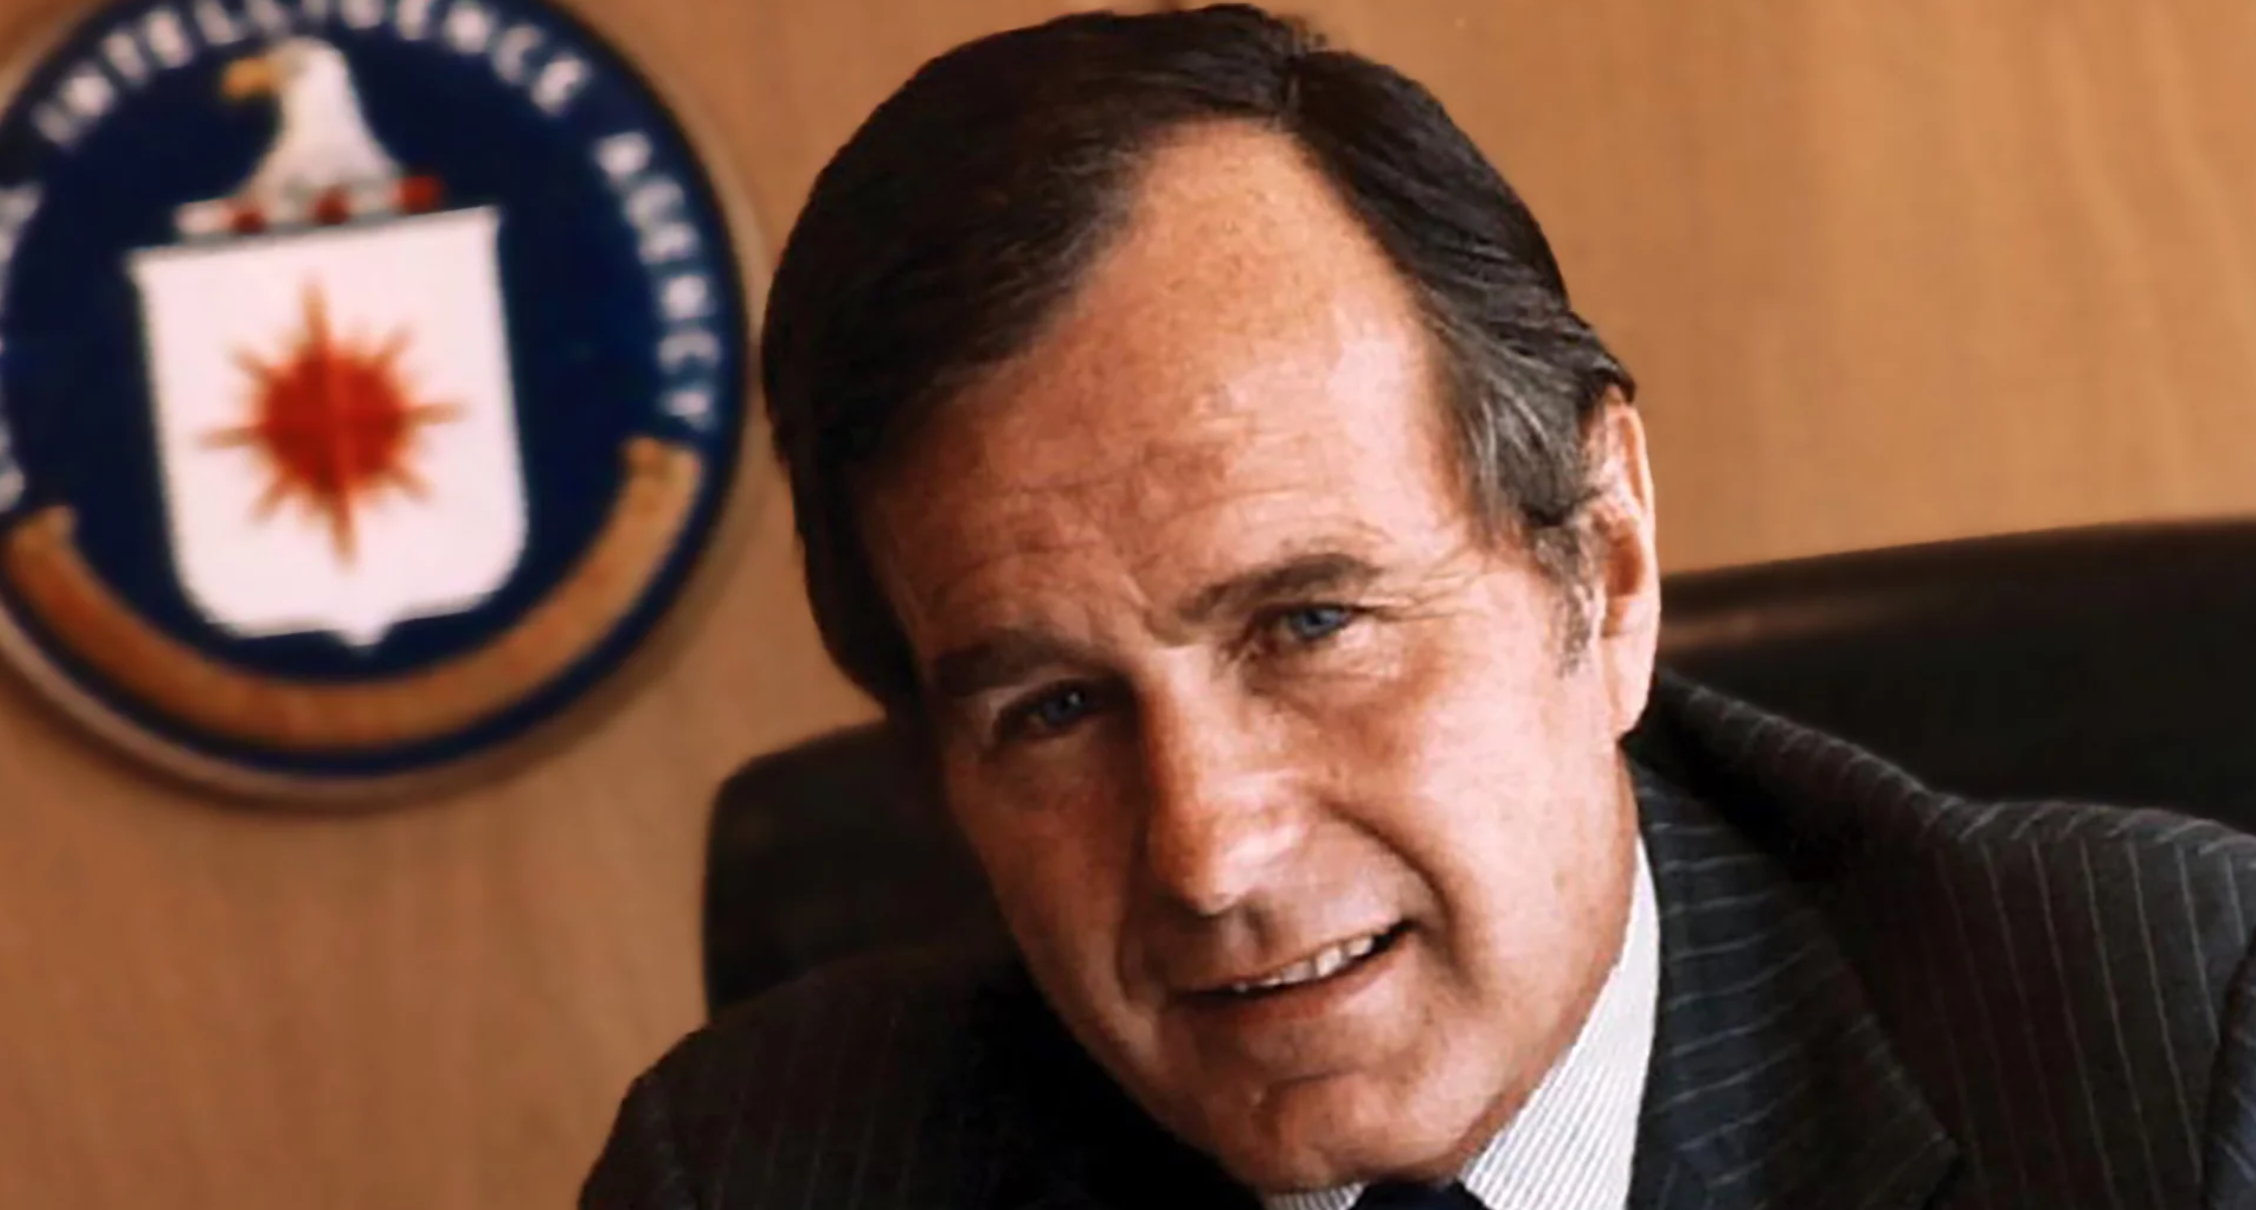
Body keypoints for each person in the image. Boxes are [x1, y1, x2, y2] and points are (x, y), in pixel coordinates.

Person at [582, 7, 2256, 1208]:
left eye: (1309, 623)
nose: (1206, 852)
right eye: (1056, 710)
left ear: (1600, 564)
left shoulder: (2172, 1066)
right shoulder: (764, 1167)